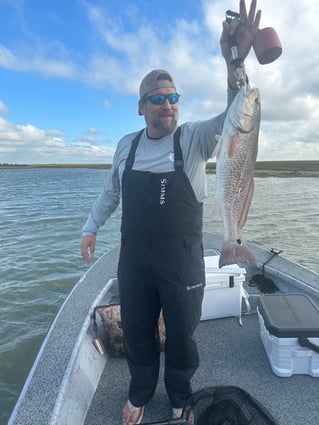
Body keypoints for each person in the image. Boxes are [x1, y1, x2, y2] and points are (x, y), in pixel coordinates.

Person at [81, 1, 261, 424]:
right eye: (158, 98)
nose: (168, 104)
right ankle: (141, 393)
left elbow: (237, 115)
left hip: (182, 257)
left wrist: (235, 61)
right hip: (135, 257)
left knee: (182, 335)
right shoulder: (126, 145)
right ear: (141, 107)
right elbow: (110, 192)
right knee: (140, 334)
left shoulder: (194, 138)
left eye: (173, 97)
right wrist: (91, 228)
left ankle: (180, 396)